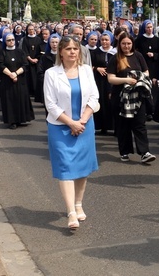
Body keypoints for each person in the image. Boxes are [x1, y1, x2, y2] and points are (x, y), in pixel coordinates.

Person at [43, 35, 100, 231]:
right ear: (61, 52)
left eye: (75, 49)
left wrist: (82, 120)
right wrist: (71, 123)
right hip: (60, 127)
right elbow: (50, 104)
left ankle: (78, 203)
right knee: (66, 167)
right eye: (68, 49)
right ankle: (70, 212)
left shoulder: (86, 71)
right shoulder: (51, 74)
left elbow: (94, 96)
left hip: (84, 124)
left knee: (82, 168)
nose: (72, 52)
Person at [107, 31, 156, 163]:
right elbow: (111, 78)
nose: (126, 46)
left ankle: (144, 152)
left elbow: (146, 72)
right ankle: (124, 151)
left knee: (140, 124)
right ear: (119, 44)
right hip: (120, 98)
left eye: (129, 43)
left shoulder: (138, 56)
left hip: (138, 97)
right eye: (123, 43)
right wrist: (126, 80)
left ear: (132, 44)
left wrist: (139, 79)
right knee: (123, 126)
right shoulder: (115, 58)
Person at [0, 33, 36, 129]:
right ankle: (12, 121)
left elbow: (25, 65)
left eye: (12, 40)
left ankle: (21, 119)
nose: (11, 42)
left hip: (20, 80)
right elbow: (0, 65)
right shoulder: (2, 52)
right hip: (7, 80)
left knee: (20, 98)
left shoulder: (20, 52)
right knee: (10, 100)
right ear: (5, 42)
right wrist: (10, 74)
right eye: (9, 40)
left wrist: (16, 74)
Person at [90, 32, 116, 136]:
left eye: (107, 40)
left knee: (111, 103)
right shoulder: (95, 52)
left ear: (111, 40)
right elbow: (89, 66)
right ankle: (101, 126)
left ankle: (113, 127)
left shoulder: (114, 52)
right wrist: (97, 69)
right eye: (102, 40)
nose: (104, 42)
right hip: (99, 81)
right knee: (100, 102)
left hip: (111, 81)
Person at [37, 34, 61, 107]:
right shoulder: (44, 57)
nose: (54, 44)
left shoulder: (63, 57)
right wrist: (47, 80)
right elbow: (40, 71)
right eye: (52, 42)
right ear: (49, 43)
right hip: (48, 85)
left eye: (56, 42)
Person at [21, 24, 43, 98]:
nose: (31, 31)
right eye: (29, 29)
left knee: (36, 77)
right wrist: (30, 58)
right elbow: (24, 50)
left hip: (37, 61)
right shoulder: (25, 39)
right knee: (29, 76)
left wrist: (37, 58)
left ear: (34, 30)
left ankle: (36, 91)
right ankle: (30, 91)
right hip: (28, 61)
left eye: (32, 29)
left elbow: (40, 50)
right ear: (27, 30)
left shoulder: (38, 39)